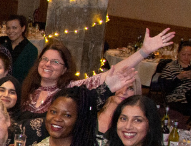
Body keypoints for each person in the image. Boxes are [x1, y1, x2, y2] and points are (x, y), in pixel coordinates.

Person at [21, 28, 173, 115]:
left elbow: (108, 75)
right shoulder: (29, 88)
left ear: (64, 69)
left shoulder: (70, 89)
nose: (48, 64)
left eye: (55, 62)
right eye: (44, 59)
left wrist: (143, 52)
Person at [159, 41, 191, 122]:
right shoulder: (170, 67)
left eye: (189, 55)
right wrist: (178, 78)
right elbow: (166, 89)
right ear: (178, 53)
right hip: (178, 98)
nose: (186, 57)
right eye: (183, 54)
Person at [1, 15, 38, 82]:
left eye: (14, 28)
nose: (10, 31)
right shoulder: (3, 47)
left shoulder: (31, 50)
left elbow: (31, 76)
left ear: (23, 28)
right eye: (8, 28)